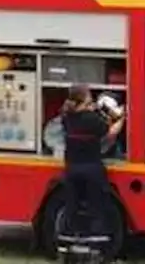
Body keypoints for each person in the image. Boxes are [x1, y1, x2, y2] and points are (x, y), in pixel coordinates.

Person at [60, 84, 124, 237]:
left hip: (71, 169)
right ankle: (97, 237)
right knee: (97, 205)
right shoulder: (92, 119)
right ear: (85, 98)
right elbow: (110, 133)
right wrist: (122, 118)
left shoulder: (66, 117)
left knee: (72, 205)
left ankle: (69, 235)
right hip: (92, 169)